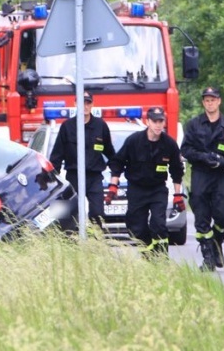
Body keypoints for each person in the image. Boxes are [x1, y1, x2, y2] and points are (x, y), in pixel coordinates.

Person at [180, 86, 224, 271]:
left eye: (213, 100)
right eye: (207, 100)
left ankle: (217, 243)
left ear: (219, 101)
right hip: (200, 173)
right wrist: (203, 157)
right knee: (201, 216)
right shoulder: (194, 124)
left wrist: (222, 161)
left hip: (220, 175)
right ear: (203, 103)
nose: (210, 103)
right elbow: (185, 150)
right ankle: (208, 257)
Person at [107, 106, 184, 256]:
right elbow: (118, 163)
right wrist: (113, 186)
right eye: (154, 121)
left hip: (157, 190)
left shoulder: (169, 144)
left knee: (159, 224)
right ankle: (148, 253)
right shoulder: (134, 141)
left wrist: (178, 195)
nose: (158, 125)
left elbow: (177, 170)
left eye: (161, 121)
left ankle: (161, 257)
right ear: (147, 121)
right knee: (136, 227)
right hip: (137, 190)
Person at [49, 91, 116, 226]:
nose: (85, 106)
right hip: (74, 177)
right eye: (81, 103)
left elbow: (110, 153)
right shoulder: (67, 127)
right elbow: (56, 156)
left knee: (98, 213)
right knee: (68, 215)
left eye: (88, 103)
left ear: (92, 105)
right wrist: (52, 182)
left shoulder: (100, 125)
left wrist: (116, 176)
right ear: (75, 104)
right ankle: (71, 243)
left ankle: (95, 243)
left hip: (94, 177)